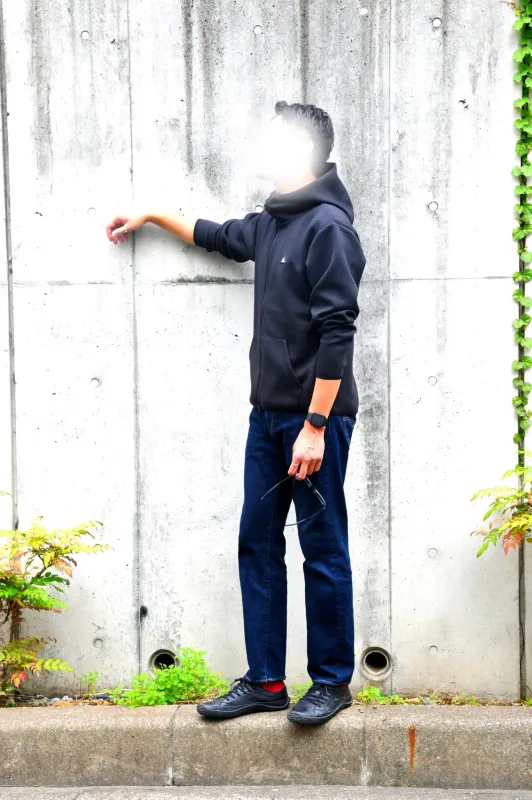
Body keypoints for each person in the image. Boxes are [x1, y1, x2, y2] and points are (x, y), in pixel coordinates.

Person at [106, 101, 366, 725]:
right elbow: (218, 235)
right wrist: (152, 214)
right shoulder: (273, 222)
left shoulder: (329, 227)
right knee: (257, 543)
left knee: (322, 548)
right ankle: (266, 681)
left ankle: (331, 681)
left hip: (315, 423)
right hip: (267, 419)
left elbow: (338, 330)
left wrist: (315, 427)